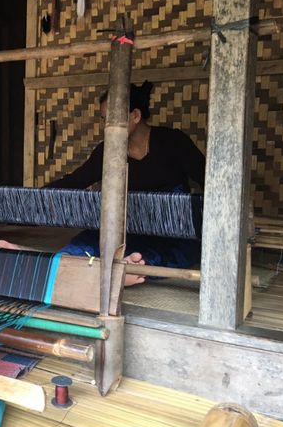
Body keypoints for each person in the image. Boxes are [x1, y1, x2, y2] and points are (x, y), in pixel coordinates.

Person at [49, 80, 206, 284]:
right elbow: (77, 180)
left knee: (178, 252)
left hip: (173, 232)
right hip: (127, 229)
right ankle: (57, 261)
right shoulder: (108, 151)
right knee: (88, 241)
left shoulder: (173, 142)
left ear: (136, 116)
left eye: (112, 119)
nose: (107, 126)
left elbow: (208, 180)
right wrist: (32, 198)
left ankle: (134, 268)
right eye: (105, 119)